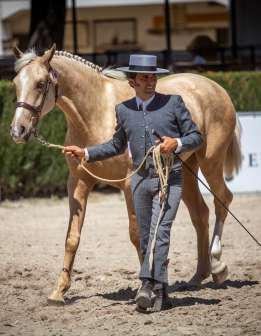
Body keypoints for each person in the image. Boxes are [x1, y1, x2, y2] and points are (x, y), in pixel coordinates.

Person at [62, 55, 203, 312]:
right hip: (138, 180)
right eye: (144, 78)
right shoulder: (124, 110)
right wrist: (86, 153)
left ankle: (148, 286)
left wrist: (177, 144)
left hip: (168, 179)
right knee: (145, 235)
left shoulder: (173, 103)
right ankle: (160, 291)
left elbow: (196, 136)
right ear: (132, 82)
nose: (150, 82)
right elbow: (116, 145)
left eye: (153, 77)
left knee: (161, 232)